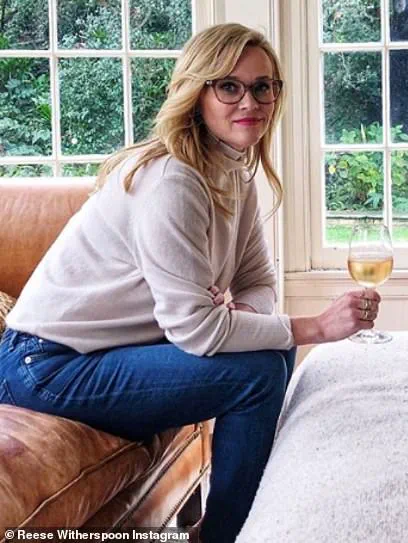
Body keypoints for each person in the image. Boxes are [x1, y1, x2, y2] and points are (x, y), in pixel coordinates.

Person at [0, 23, 381, 543]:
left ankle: (226, 527)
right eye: (229, 86)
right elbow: (198, 332)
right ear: (197, 94)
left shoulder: (234, 171)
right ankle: (226, 535)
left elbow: (258, 279)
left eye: (263, 87)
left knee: (270, 351)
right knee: (259, 371)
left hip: (100, 355)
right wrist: (314, 326)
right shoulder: (173, 181)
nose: (250, 102)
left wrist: (247, 314)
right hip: (46, 366)